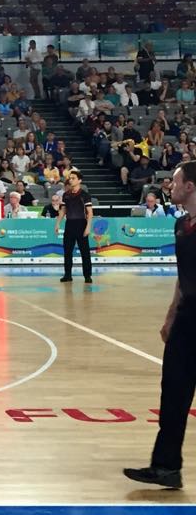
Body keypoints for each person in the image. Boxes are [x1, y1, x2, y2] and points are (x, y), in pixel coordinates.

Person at [123, 162, 196, 488]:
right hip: (186, 317)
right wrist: (171, 315)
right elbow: (182, 278)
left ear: (191, 186)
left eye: (175, 181)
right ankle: (166, 467)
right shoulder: (181, 225)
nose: (170, 186)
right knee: (174, 392)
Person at [55, 170, 94, 283]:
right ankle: (68, 275)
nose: (70, 180)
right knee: (67, 251)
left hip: (81, 224)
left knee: (84, 252)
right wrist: (58, 223)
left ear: (79, 180)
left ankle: (87, 275)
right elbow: (62, 210)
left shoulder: (85, 195)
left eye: (73, 178)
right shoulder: (65, 195)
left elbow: (90, 213)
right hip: (69, 224)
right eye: (70, 178)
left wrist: (88, 227)